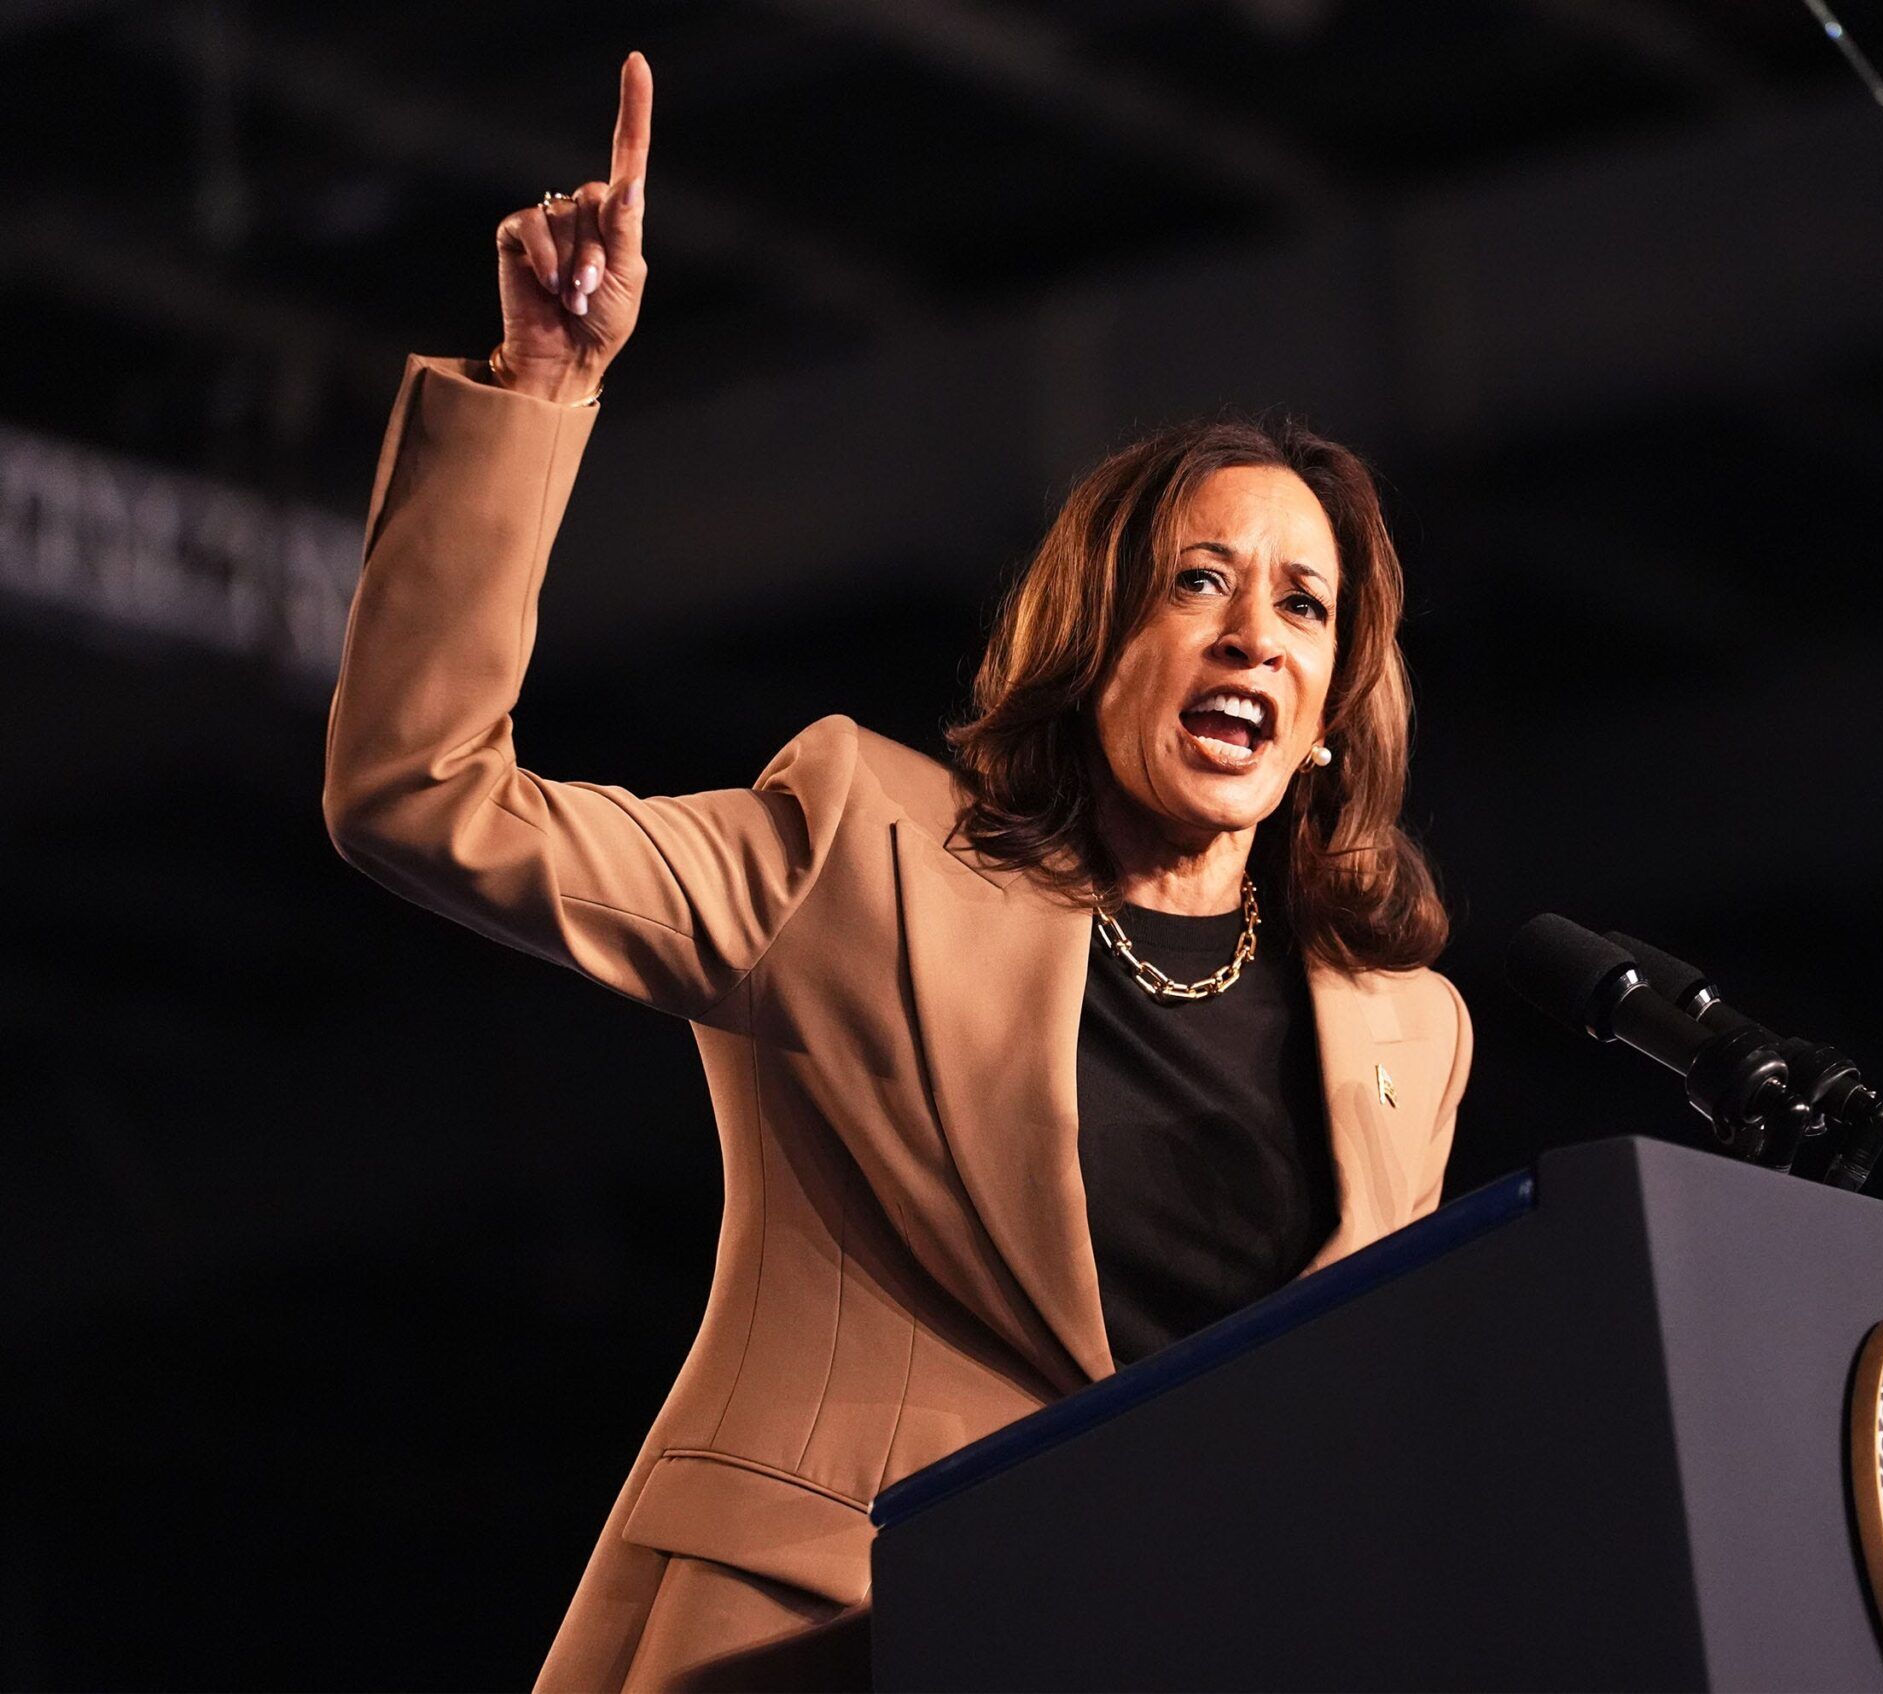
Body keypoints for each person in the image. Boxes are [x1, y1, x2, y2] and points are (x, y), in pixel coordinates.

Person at [321, 51, 1472, 1692]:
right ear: (1095, 642)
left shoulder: (1404, 1031)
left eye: (1304, 605)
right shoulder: (863, 856)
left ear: (1336, 717)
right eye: (1197, 581)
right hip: (826, 1644)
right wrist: (543, 382)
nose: (1251, 635)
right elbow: (422, 799)